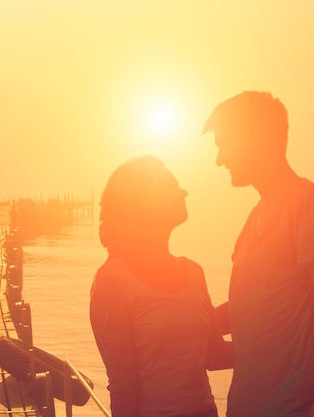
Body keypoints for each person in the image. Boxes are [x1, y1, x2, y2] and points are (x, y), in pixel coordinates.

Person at [202, 91, 314, 417]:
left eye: (223, 143)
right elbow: (255, 306)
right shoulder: (253, 220)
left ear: (250, 137)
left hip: (295, 409)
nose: (220, 159)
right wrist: (186, 319)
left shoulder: (305, 202)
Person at [89, 156, 233, 417]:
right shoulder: (113, 281)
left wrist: (278, 332)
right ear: (143, 200)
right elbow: (123, 385)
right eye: (171, 185)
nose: (183, 191)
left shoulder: (193, 272)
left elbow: (215, 355)